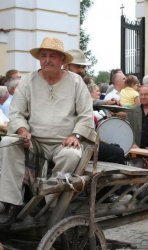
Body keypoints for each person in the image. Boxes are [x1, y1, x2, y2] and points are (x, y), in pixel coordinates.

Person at [0, 37, 97, 227]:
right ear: (39, 59)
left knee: (71, 155)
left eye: (53, 56)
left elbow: (86, 115)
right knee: (7, 143)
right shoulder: (28, 81)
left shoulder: (76, 82)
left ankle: (50, 206)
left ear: (62, 60)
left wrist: (76, 135)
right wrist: (22, 131)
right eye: (43, 56)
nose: (47, 60)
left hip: (64, 143)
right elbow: (17, 112)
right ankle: (10, 202)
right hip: (34, 141)